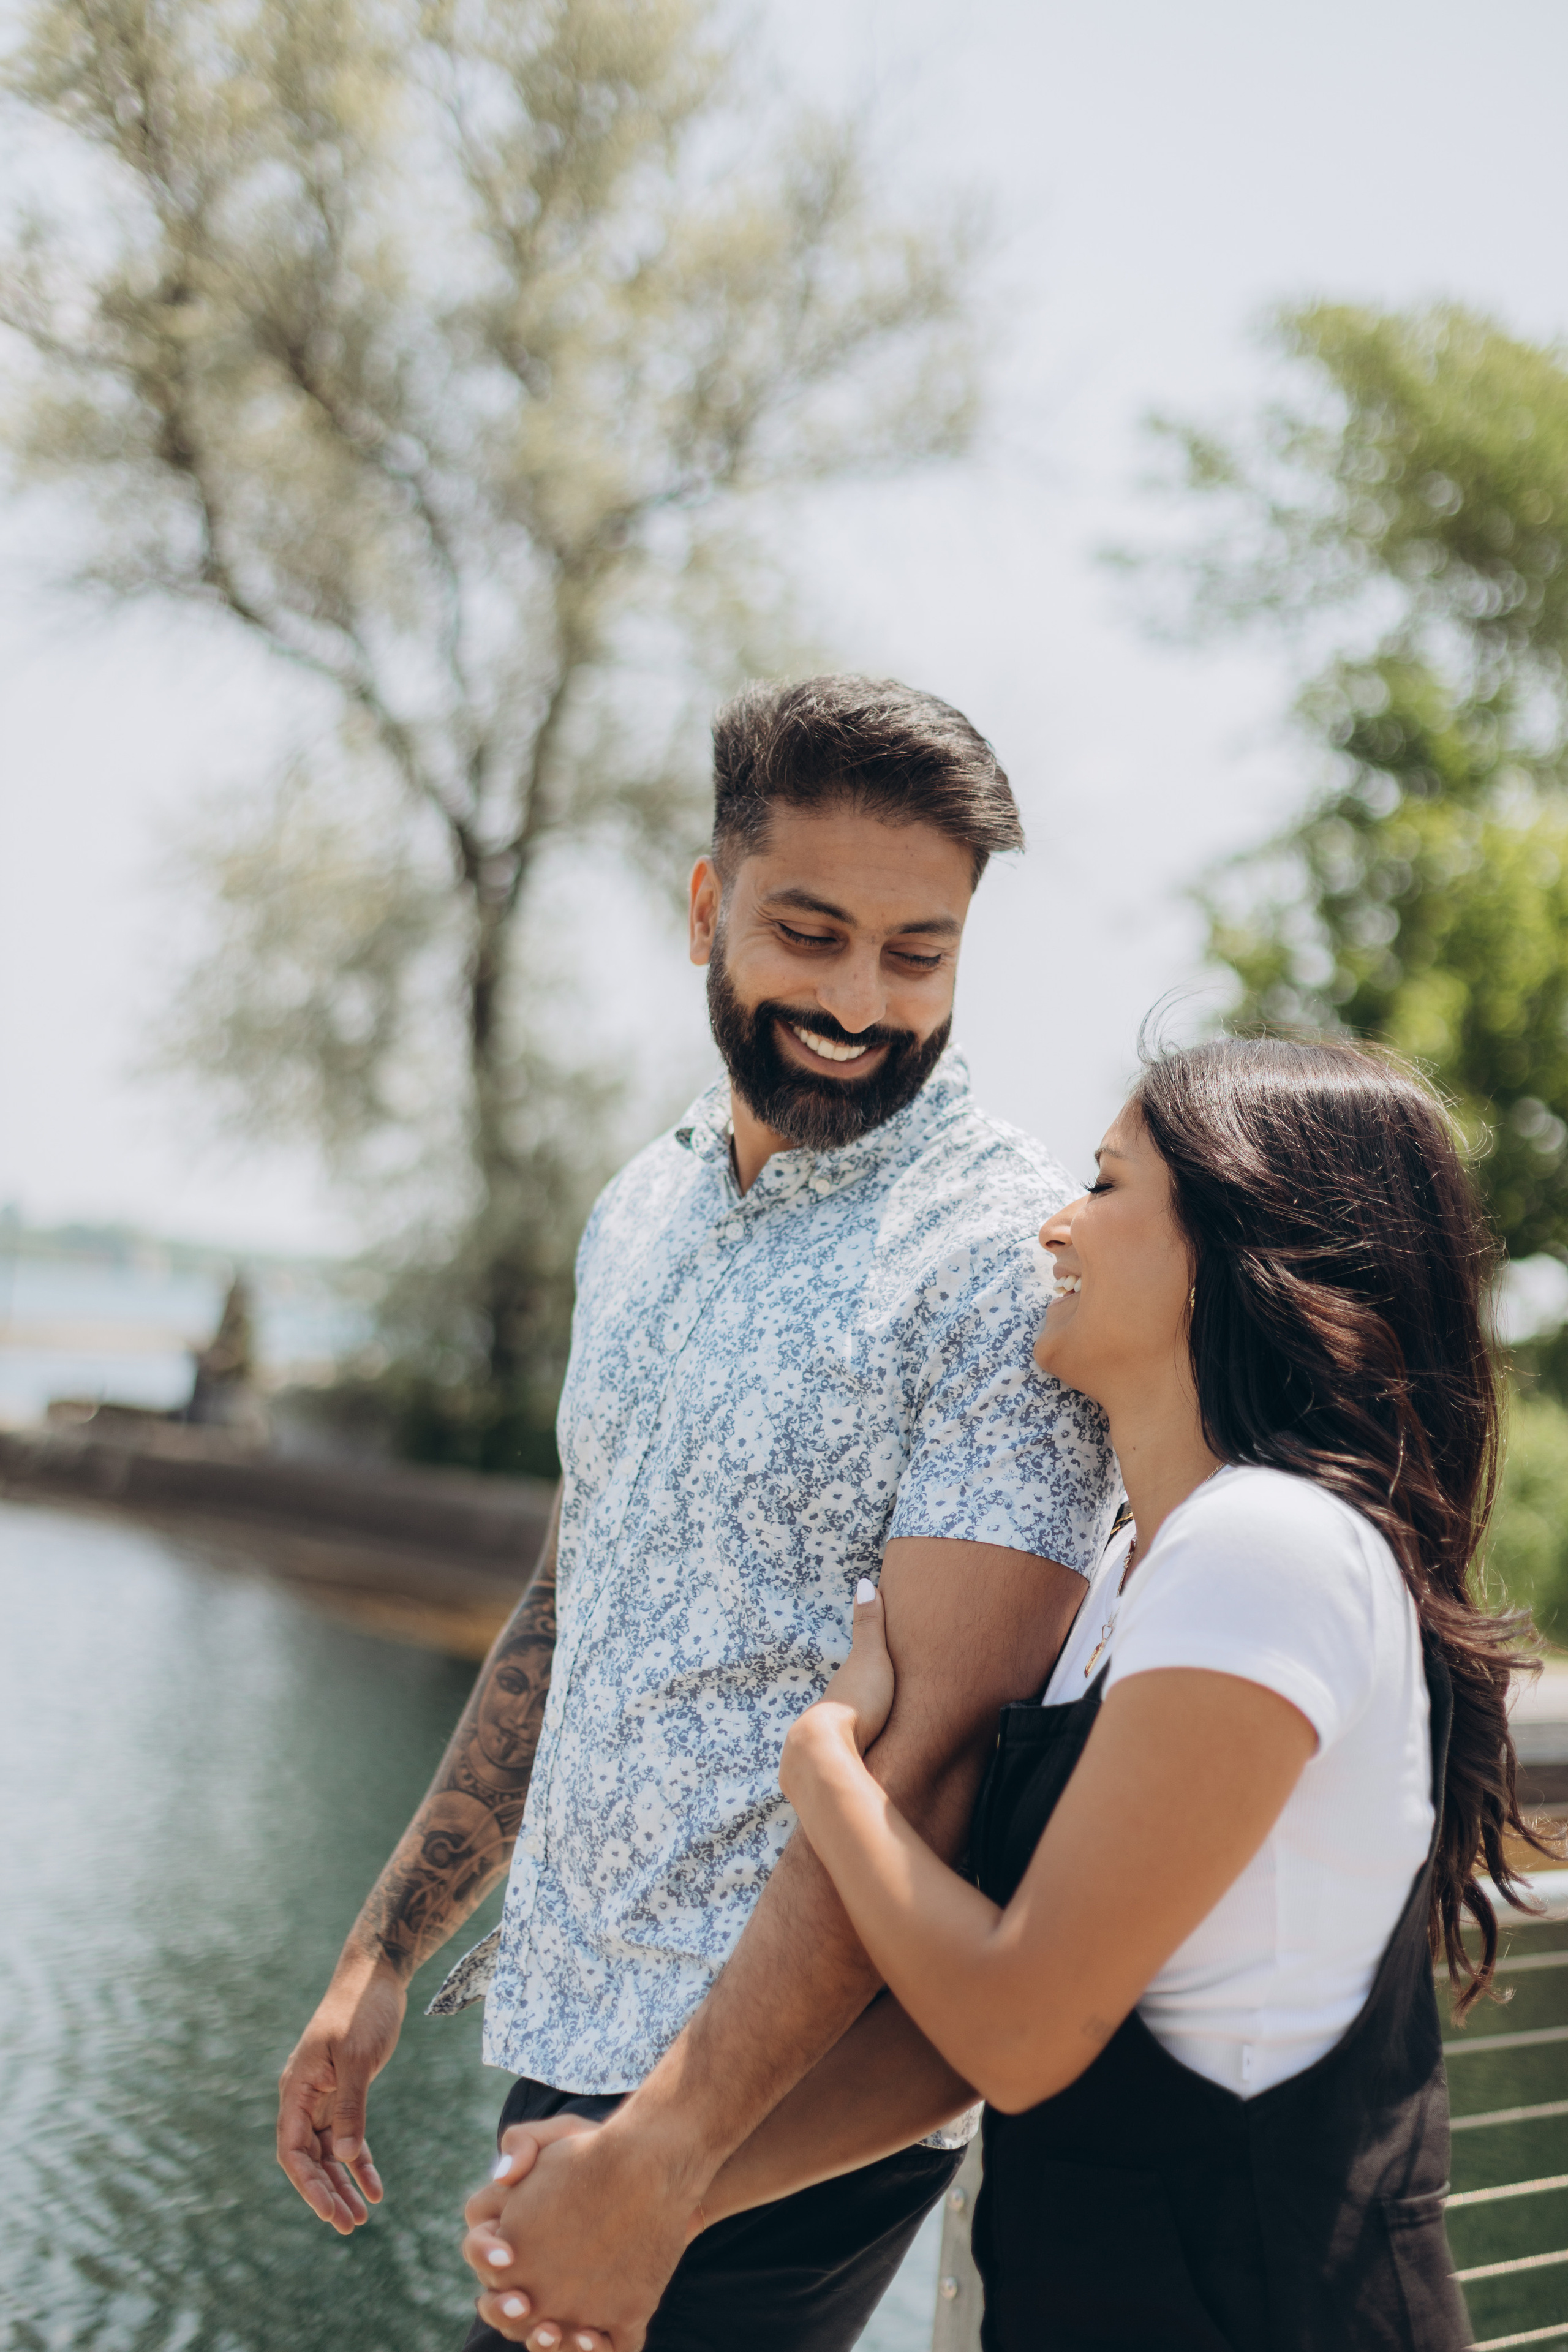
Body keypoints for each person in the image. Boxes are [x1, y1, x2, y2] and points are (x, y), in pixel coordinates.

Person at [468, 1035, 1548, 2351]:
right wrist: (655, 2189)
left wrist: (823, 1773)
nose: (1054, 1224)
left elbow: (1020, 2027)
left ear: (1235, 1241)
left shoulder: (1264, 1551)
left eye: (1102, 1187)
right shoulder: (1139, 1575)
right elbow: (962, 2023)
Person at [275, 674, 1119, 2350]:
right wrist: (379, 1962)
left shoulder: (999, 1260)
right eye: (809, 934)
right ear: (706, 907)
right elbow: (568, 1608)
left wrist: (668, 2153)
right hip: (571, 2049)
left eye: (918, 952)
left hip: (777, 2111)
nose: (861, 1000)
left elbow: (936, 1761)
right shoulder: (641, 1205)